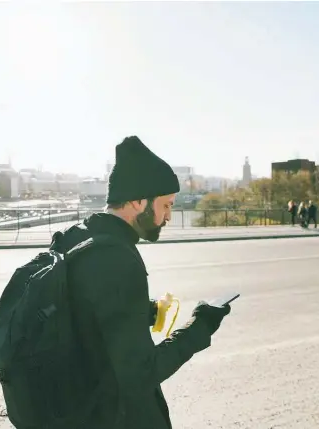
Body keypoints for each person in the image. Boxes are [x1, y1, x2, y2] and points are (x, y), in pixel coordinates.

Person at [51, 136, 232, 429]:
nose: (169, 217)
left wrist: (144, 311)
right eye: (166, 205)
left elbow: (82, 312)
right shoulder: (117, 258)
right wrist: (199, 327)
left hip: (76, 408)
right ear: (138, 201)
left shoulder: (77, 236)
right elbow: (141, 374)